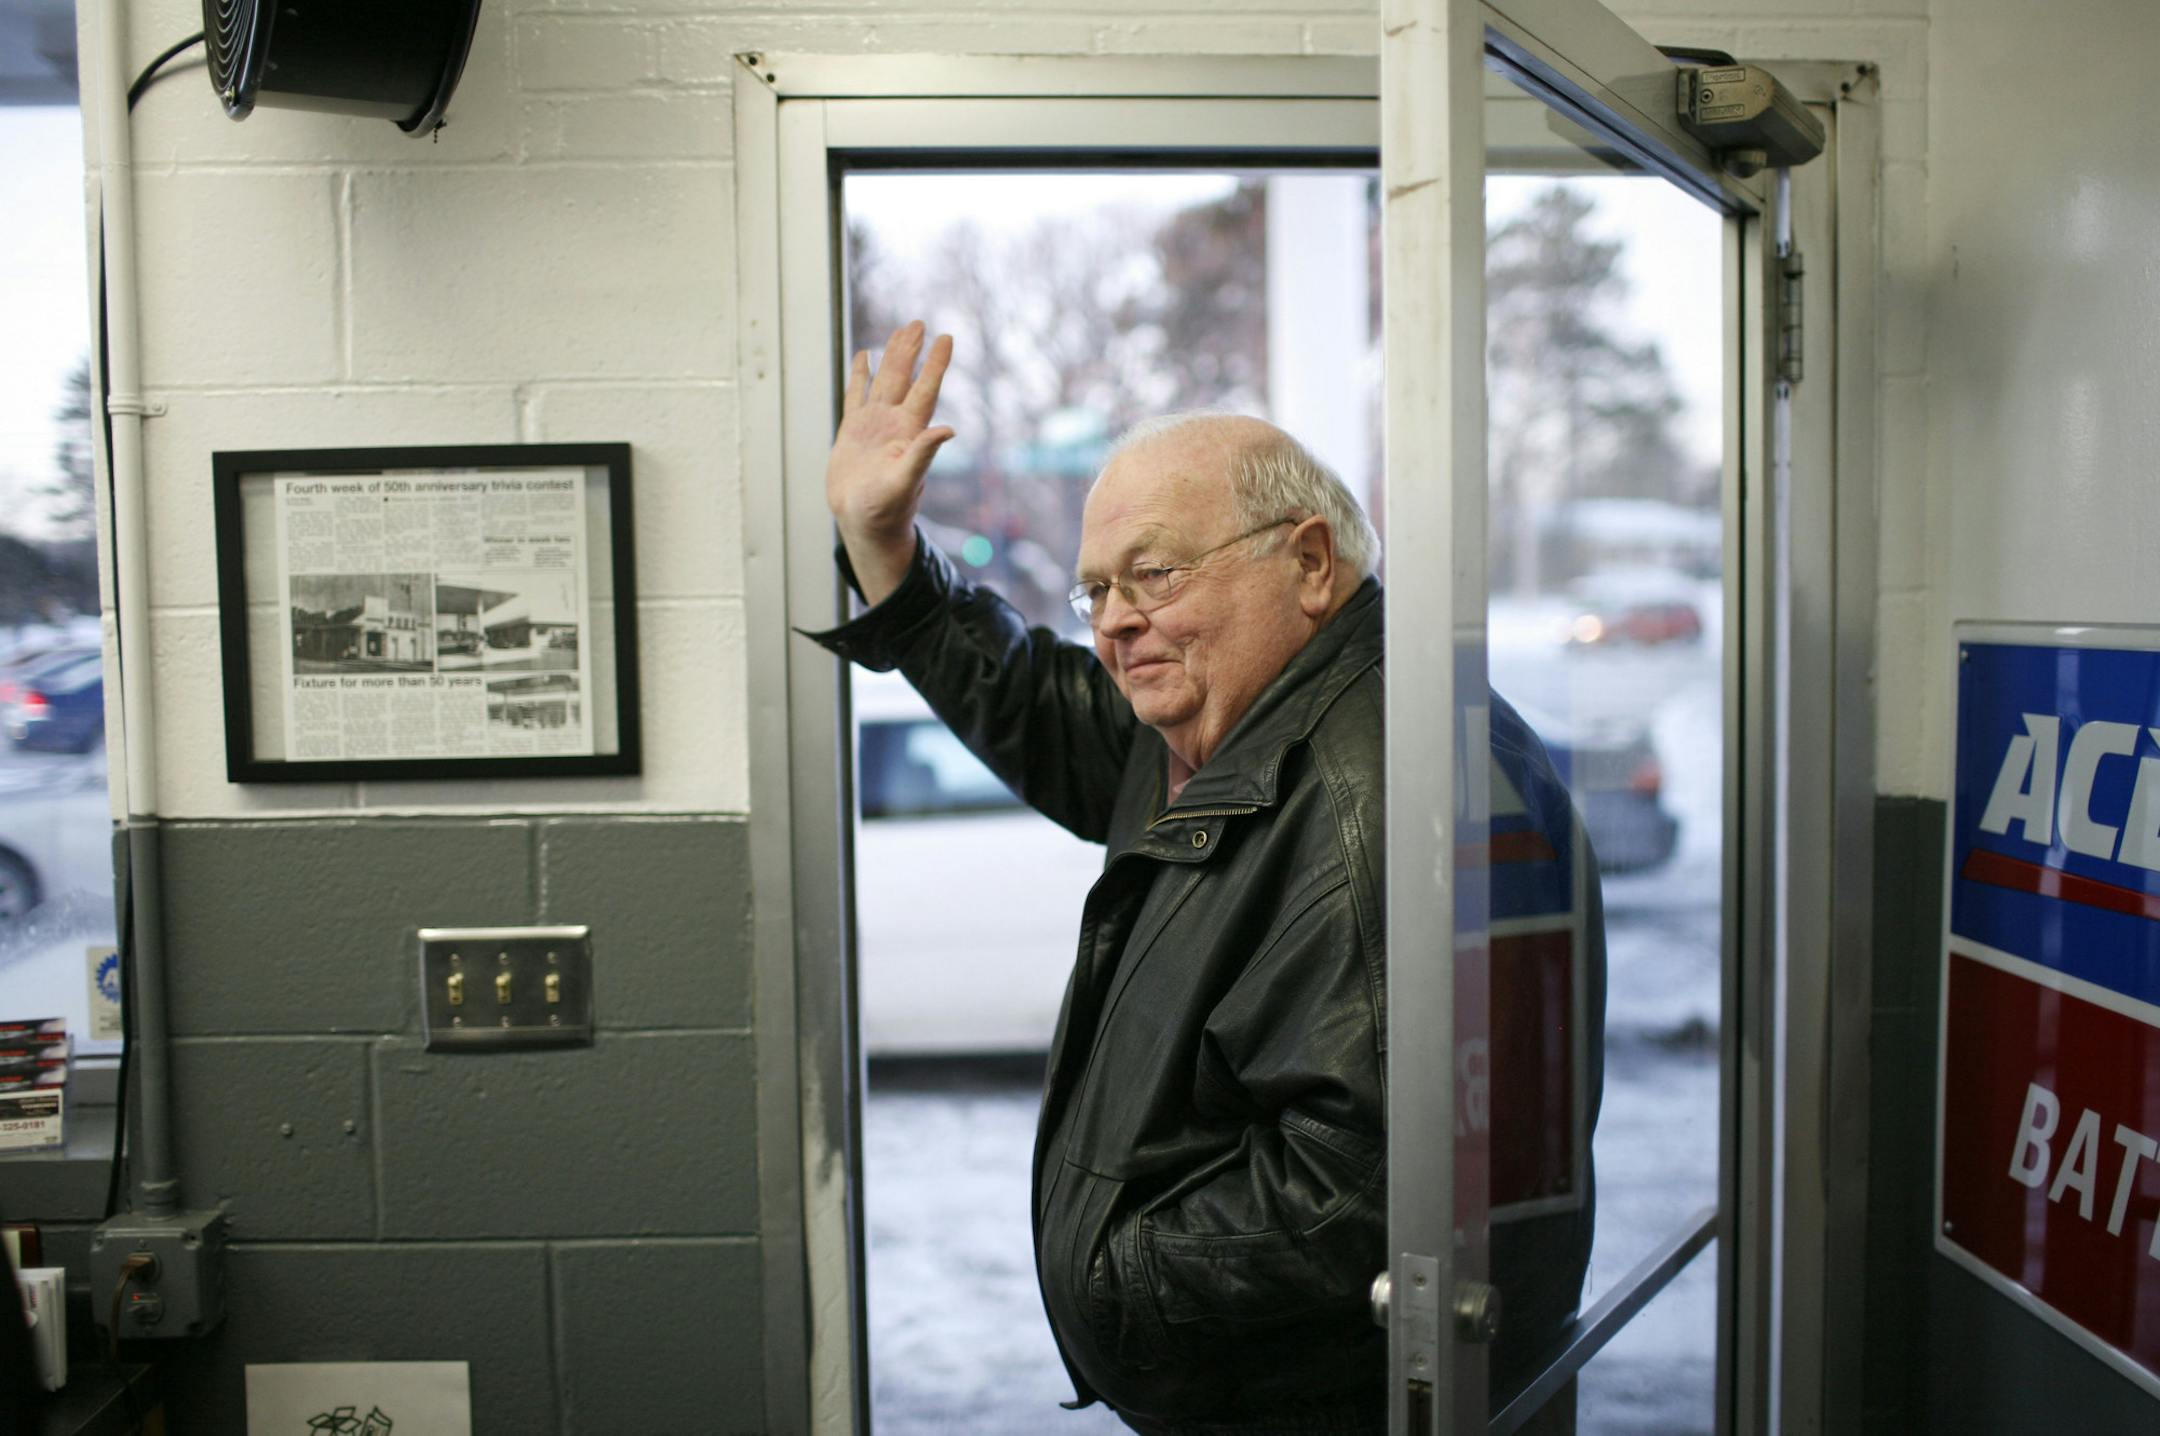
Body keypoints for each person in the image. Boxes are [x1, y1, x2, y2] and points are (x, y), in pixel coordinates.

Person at [809, 321, 1602, 1435]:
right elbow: (1045, 710)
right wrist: (885, 541)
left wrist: (1111, 1270)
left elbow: (1360, 1192)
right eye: (1096, 591)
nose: (1116, 620)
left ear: (1310, 563)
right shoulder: (1246, 717)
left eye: (1156, 573)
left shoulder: (1377, 800)